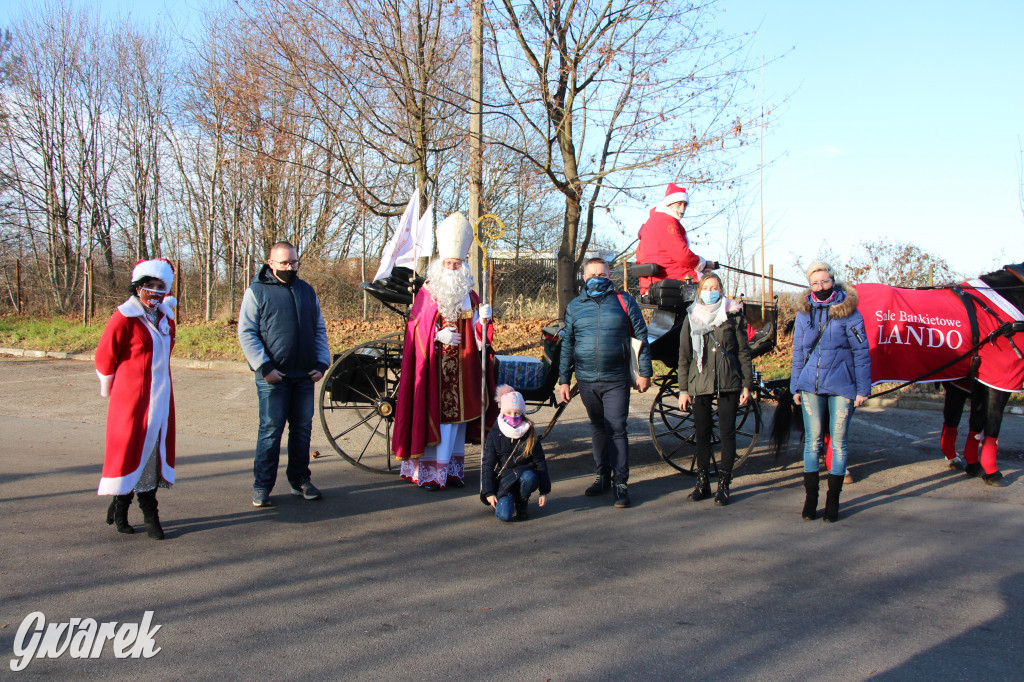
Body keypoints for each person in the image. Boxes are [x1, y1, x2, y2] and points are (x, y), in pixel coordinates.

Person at [392, 211, 496, 490]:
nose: (452, 267)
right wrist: (437, 335)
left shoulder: (470, 295)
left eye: (456, 263)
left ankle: (450, 472)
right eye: (448, 262)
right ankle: (429, 474)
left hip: (464, 367)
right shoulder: (428, 291)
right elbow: (416, 328)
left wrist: (484, 320)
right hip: (435, 369)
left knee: (458, 422)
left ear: (463, 265)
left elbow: (480, 335)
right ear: (440, 263)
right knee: (436, 420)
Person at [238, 241, 330, 508]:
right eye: (284, 263)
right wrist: (264, 367)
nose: (290, 268)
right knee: (270, 431)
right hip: (273, 377)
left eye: (294, 262)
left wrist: (322, 362)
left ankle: (300, 480)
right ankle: (262, 486)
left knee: (302, 431)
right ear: (271, 263)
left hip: (304, 376)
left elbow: (319, 329)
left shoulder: (306, 291)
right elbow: (247, 332)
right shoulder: (256, 292)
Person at [557, 257, 652, 508]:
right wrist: (564, 380)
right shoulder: (575, 306)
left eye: (602, 274)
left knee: (617, 429)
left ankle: (621, 483)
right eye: (592, 275)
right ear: (584, 278)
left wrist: (644, 372)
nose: (597, 278)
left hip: (616, 378)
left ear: (610, 276)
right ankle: (603, 477)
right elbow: (567, 344)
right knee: (598, 428)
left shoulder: (624, 301)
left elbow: (641, 336)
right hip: (587, 379)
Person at [95, 258, 178, 540]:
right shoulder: (124, 317)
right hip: (130, 400)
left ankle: (148, 514)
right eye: (149, 284)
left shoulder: (166, 318)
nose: (154, 290)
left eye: (160, 285)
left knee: (152, 454)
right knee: (129, 451)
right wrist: (109, 387)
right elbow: (105, 355)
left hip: (160, 397)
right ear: (138, 286)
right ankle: (122, 506)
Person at [790, 261, 871, 523]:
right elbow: (799, 353)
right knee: (812, 442)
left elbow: (861, 352)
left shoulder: (850, 312)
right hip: (810, 386)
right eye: (815, 283)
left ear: (833, 281)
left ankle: (833, 500)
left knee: (839, 442)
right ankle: (811, 499)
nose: (821, 286)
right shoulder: (804, 314)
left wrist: (863, 389)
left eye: (825, 281)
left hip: (842, 386)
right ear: (809, 285)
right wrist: (795, 386)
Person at [677, 273, 754, 506]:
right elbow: (684, 356)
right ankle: (702, 483)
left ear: (721, 290)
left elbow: (743, 352)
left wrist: (747, 384)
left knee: (727, 433)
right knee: (702, 433)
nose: (710, 291)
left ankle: (724, 485)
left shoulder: (733, 315)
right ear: (699, 291)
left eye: (714, 287)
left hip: (728, 380)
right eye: (706, 287)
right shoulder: (691, 316)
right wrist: (683, 389)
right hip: (700, 381)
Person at [481, 385, 551, 522]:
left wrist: (544, 491)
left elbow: (540, 462)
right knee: (504, 516)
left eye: (517, 413)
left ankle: (522, 500)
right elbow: (488, 464)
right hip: (506, 480)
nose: (513, 416)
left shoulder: (529, 432)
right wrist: (489, 492)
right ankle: (507, 498)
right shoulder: (495, 433)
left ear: (523, 414)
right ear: (503, 413)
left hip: (525, 474)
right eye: (509, 412)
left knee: (529, 477)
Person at [635, 183, 712, 293]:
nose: (682, 208)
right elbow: (682, 254)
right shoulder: (666, 222)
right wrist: (703, 264)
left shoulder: (653, 220)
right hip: (667, 274)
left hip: (651, 279)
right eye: (679, 204)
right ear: (669, 203)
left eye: (685, 205)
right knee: (710, 283)